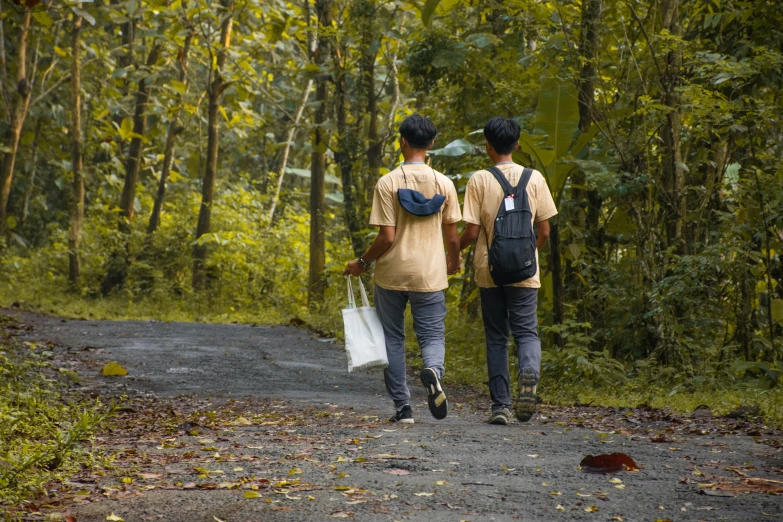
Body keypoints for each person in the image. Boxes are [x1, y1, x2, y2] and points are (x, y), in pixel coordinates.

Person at [344, 114, 462, 424]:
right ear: (432, 144)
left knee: (392, 339)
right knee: (432, 336)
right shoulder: (444, 184)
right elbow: (452, 236)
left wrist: (362, 263)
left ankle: (403, 409)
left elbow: (387, 237)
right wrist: (455, 261)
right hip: (430, 273)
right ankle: (433, 373)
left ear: (402, 141)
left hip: (391, 274)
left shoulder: (388, 182)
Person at [459, 116, 558, 425]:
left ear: (487, 146)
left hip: (489, 271)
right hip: (526, 272)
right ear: (516, 144)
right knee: (527, 332)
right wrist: (529, 255)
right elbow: (544, 230)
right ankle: (529, 372)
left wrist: (450, 251)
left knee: (497, 337)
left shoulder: (479, 179)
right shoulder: (535, 178)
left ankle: (500, 406)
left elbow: (472, 233)